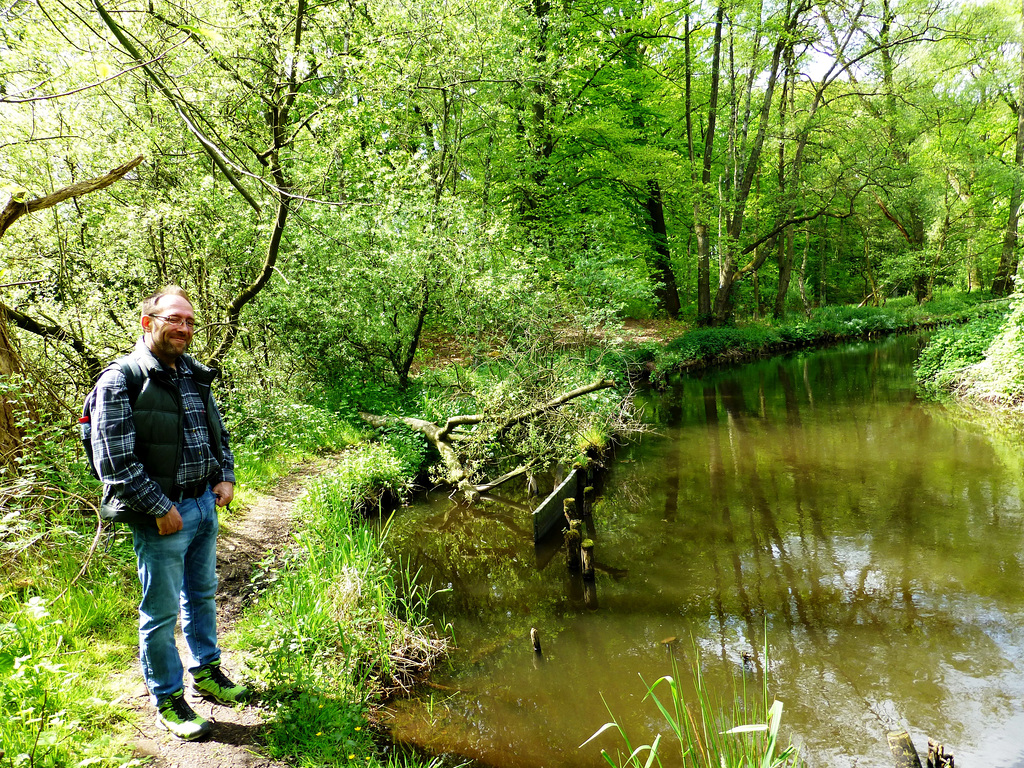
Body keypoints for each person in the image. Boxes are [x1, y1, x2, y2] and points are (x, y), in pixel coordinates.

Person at [88, 285, 249, 741]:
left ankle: (208, 672)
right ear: (148, 322)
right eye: (173, 319)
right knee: (159, 612)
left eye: (190, 321)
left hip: (203, 503)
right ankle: (169, 698)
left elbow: (215, 433)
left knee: (201, 595)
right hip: (163, 514)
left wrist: (225, 476)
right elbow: (112, 460)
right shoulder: (121, 378)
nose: (183, 328)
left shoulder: (193, 374)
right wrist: (159, 507)